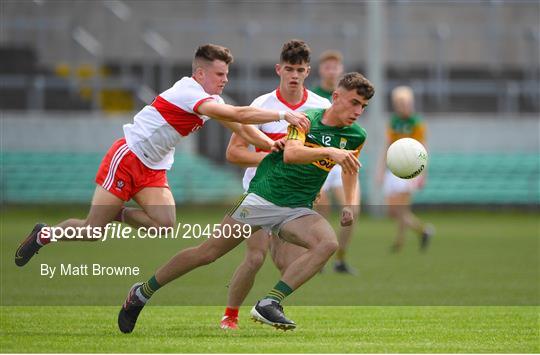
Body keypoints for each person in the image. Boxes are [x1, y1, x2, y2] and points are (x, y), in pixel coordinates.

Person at [117, 72, 374, 333]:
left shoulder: (356, 135)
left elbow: (349, 169)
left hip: (297, 209)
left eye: (363, 106)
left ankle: (270, 302)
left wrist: (350, 205)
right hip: (262, 199)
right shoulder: (307, 121)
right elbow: (292, 154)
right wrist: (329, 151)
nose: (358, 111)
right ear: (336, 96)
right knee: (207, 253)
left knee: (327, 243)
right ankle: (142, 292)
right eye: (354, 102)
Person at [14, 43, 309, 267]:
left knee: (164, 226)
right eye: (220, 74)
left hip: (153, 167)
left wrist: (270, 146)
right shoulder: (189, 92)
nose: (225, 80)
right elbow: (238, 112)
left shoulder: (210, 98)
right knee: (92, 231)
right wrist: (284, 114)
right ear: (200, 73)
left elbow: (242, 127)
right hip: (129, 157)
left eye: (227, 75)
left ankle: (115, 212)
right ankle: (45, 234)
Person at [220, 39, 331, 330]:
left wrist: (315, 184)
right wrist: (273, 155)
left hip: (293, 200)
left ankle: (269, 305)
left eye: (301, 70)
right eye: (290, 69)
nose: (294, 75)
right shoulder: (262, 106)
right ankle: (230, 317)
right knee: (255, 257)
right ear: (278, 69)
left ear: (308, 72)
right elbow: (234, 153)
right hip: (260, 194)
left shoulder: (321, 107)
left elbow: (321, 156)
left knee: (287, 263)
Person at [312, 50, 358, 274]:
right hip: (318, 159)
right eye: (328, 66)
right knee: (322, 210)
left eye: (335, 67)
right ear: (321, 70)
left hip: (339, 161)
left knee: (352, 210)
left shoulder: (349, 97)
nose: (331, 70)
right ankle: (318, 256)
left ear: (341, 70)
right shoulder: (313, 96)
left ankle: (340, 259)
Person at [376, 86, 434, 252]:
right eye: (400, 103)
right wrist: (380, 170)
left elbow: (424, 149)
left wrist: (423, 173)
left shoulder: (417, 123)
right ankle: (423, 231)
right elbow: (386, 146)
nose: (405, 106)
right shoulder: (393, 122)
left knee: (402, 208)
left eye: (407, 102)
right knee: (393, 210)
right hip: (393, 168)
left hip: (410, 169)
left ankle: (399, 242)